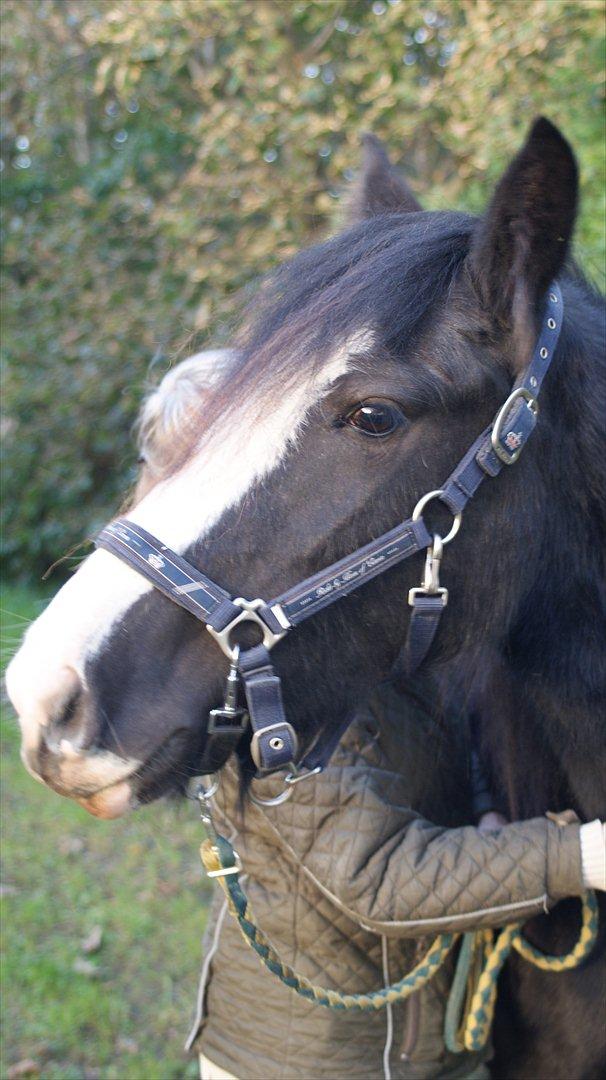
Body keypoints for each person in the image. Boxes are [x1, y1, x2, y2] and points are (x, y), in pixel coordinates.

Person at [136, 354, 605, 1080]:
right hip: (307, 1061)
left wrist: (485, 814)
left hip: (410, 1044)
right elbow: (377, 878)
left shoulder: (378, 626)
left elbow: (462, 734)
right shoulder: (276, 679)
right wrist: (580, 857)